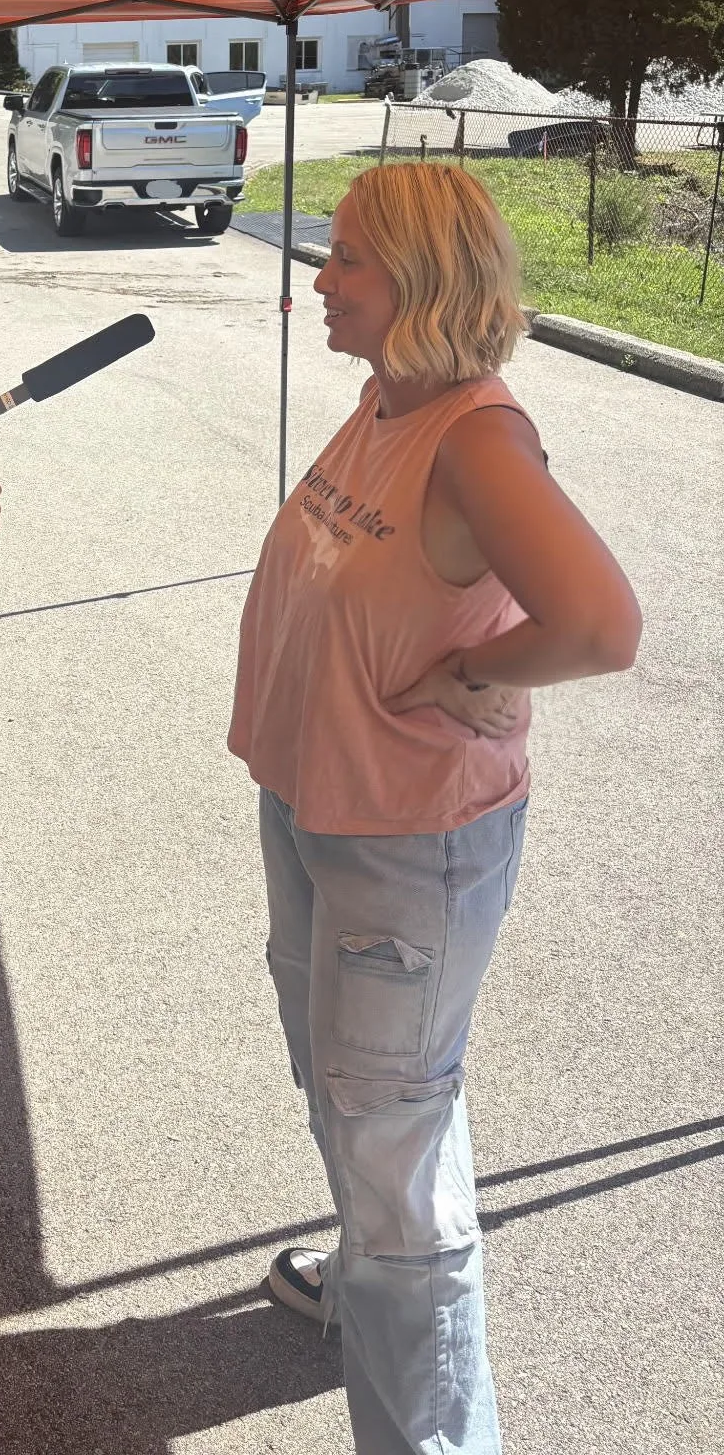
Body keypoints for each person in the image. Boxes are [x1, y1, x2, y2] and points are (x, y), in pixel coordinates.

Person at [227, 161, 641, 1455]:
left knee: (393, 1139)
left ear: (422, 279)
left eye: (347, 256)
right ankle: (368, 1282)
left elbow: (600, 624)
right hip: (319, 813)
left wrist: (482, 674)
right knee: (359, 1094)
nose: (320, 276)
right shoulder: (389, 401)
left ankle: (432, 1429)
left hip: (408, 846)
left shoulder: (475, 435)